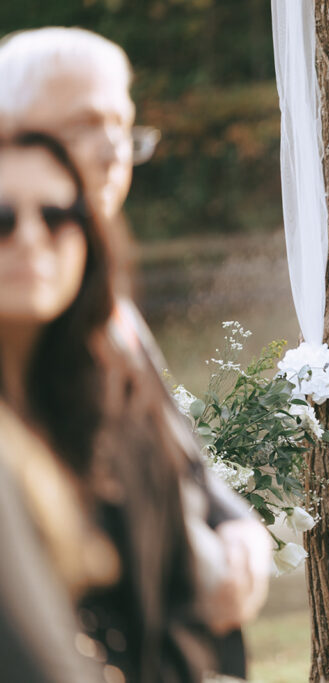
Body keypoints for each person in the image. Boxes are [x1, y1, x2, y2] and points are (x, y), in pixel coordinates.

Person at [0, 26, 270, 675]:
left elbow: (178, 464)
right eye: (88, 124)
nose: (116, 149)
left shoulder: (105, 313)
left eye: (124, 126)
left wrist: (238, 526)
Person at [0, 130, 210, 681]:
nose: (29, 238)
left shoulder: (123, 409)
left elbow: (179, 612)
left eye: (56, 215)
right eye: (1, 219)